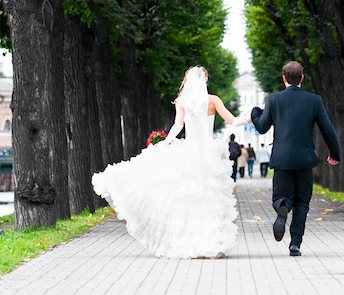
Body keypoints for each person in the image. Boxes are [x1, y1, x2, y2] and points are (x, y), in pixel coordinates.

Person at [92, 66, 248, 259]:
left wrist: (166, 142)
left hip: (190, 153)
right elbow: (232, 121)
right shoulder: (213, 100)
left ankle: (193, 243)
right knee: (210, 201)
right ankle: (214, 244)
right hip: (209, 155)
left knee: (190, 201)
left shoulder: (183, 101)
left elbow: (178, 125)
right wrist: (252, 118)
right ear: (204, 81)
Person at [251, 61, 340, 257]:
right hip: (304, 160)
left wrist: (255, 112)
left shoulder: (273, 100)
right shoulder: (314, 100)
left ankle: (282, 207)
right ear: (302, 78)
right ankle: (295, 244)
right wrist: (335, 154)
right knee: (302, 203)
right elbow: (328, 130)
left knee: (280, 196)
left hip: (282, 160)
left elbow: (262, 126)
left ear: (284, 78)